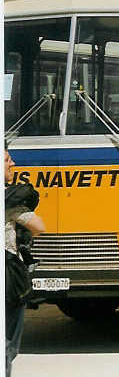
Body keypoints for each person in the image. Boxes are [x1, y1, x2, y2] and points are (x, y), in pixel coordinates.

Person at [5, 150, 44, 377]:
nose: (13, 163)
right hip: (8, 277)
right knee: (8, 342)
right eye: (7, 160)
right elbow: (40, 227)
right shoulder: (11, 202)